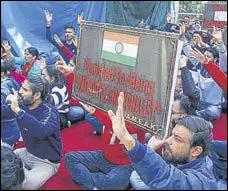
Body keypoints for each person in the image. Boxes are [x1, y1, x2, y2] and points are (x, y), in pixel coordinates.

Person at [108, 92, 218, 190]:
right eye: (172, 135)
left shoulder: (199, 183)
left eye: (177, 139)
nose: (168, 141)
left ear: (195, 151)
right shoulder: (188, 157)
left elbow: (166, 177)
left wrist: (128, 140)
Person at [64, 96, 146, 190]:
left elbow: (124, 128)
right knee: (70, 158)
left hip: (127, 164)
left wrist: (96, 113)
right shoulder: (108, 109)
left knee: (113, 184)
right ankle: (93, 185)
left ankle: (90, 180)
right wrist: (96, 112)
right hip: (105, 157)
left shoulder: (140, 115)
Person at [4, 74, 62, 190]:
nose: (20, 91)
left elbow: (41, 130)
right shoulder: (23, 105)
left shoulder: (50, 113)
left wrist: (17, 110)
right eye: (21, 87)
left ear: (36, 95)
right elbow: (4, 111)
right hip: (27, 152)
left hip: (47, 162)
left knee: (26, 184)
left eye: (25, 89)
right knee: (3, 160)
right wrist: (13, 108)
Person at [1, 60, 21, 148]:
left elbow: (8, 110)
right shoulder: (12, 81)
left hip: (7, 129)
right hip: (14, 125)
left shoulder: (4, 87)